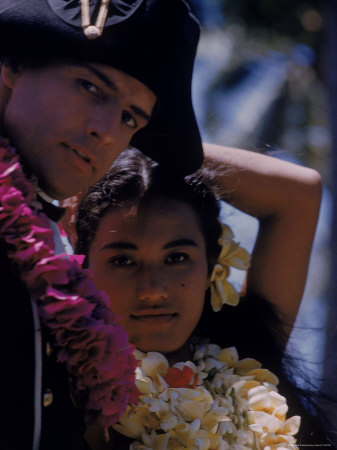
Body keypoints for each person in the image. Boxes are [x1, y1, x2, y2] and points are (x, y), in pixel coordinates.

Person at [0, 1, 203, 449]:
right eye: (90, 87)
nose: (107, 132)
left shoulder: (45, 247)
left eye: (131, 118)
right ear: (12, 63)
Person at [75, 147, 333, 448]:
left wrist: (147, 135)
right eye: (123, 261)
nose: (153, 289)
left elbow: (298, 193)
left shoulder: (246, 354)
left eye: (177, 258)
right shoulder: (62, 387)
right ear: (84, 267)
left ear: (212, 264)